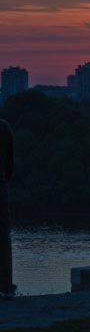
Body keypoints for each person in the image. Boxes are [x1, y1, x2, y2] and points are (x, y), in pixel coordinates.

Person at [0, 118, 15, 299]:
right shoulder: (4, 127)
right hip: (0, 185)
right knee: (3, 236)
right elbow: (11, 164)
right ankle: (5, 285)